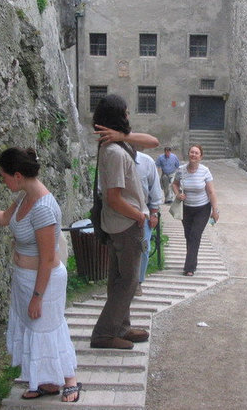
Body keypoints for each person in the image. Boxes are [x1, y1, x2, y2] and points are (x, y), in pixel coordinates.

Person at [0, 148, 81, 402]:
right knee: (33, 329)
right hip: (25, 278)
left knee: (48, 328)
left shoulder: (42, 208)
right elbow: (5, 219)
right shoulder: (23, 198)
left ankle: (69, 380)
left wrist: (37, 296)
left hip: (44, 282)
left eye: (3, 176)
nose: (2, 180)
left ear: (18, 175)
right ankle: (45, 381)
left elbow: (48, 258)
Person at [90, 94, 160, 349]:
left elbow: (153, 141)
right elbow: (113, 198)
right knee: (129, 282)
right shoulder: (115, 153)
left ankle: (121, 326)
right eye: (126, 113)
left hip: (117, 224)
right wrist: (139, 215)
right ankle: (104, 334)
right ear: (118, 117)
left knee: (118, 280)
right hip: (126, 224)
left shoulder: (113, 147)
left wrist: (123, 136)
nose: (129, 117)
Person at [171, 144, 220, 276]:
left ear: (200, 156)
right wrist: (177, 194)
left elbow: (211, 192)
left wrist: (215, 210)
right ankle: (193, 261)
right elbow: (174, 184)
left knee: (195, 235)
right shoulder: (181, 170)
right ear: (189, 154)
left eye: (196, 153)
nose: (193, 155)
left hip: (202, 209)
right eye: (192, 152)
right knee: (189, 236)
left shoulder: (205, 171)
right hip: (186, 208)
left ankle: (189, 268)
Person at [134, 150, 164, 296]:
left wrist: (154, 214)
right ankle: (123, 282)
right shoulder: (112, 157)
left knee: (144, 248)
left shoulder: (146, 162)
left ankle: (138, 282)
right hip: (119, 215)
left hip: (143, 213)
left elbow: (155, 190)